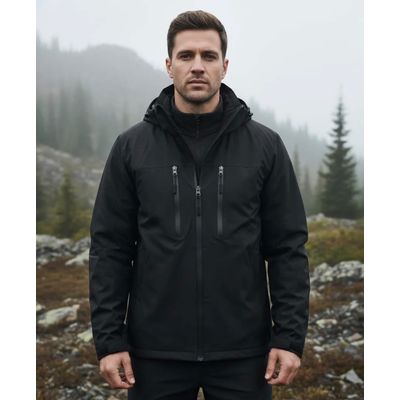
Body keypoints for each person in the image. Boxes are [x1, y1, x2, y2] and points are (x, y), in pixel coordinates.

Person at [89, 10, 310, 400]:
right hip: (154, 355)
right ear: (169, 65)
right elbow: (110, 248)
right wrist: (110, 341)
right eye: (186, 55)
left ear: (224, 66)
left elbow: (287, 248)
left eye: (208, 56)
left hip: (245, 354)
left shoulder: (265, 147)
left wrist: (289, 338)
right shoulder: (131, 147)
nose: (197, 66)